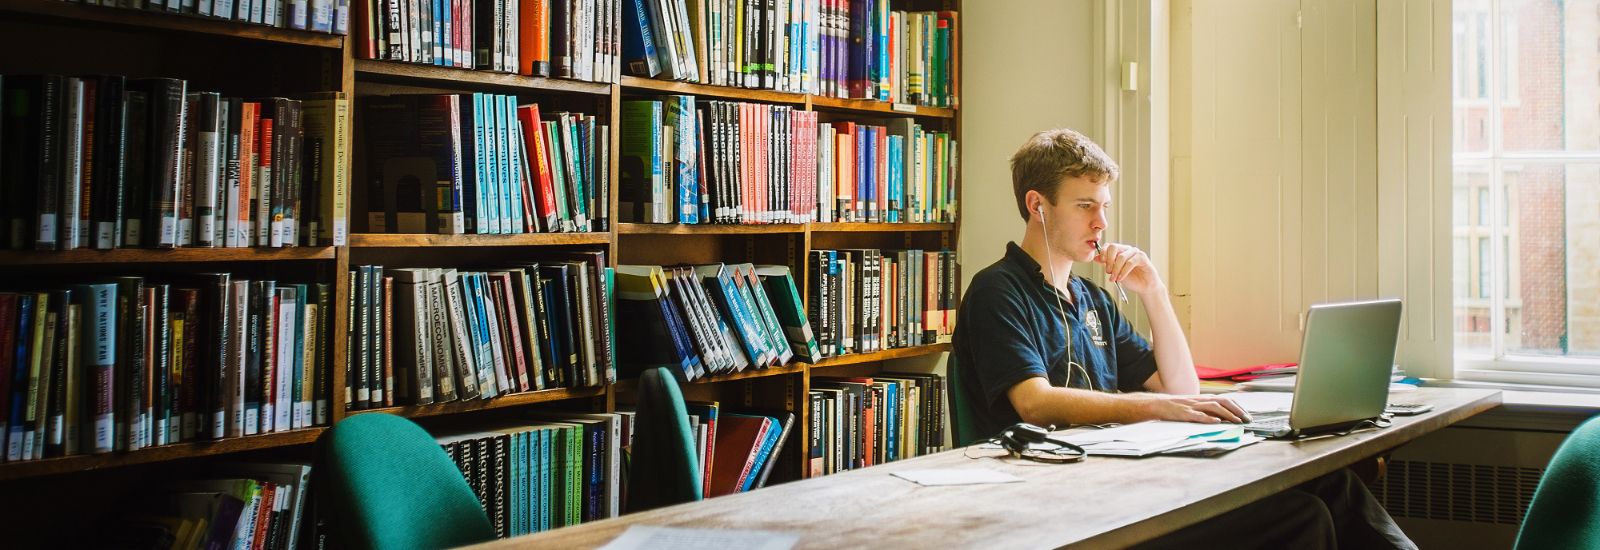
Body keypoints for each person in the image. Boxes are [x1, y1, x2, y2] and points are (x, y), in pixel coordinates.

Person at [952, 128, 1415, 549]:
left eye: (1104, 207)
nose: (1101, 223)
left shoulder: (1091, 298)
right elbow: (1035, 401)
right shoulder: (999, 290)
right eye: (1084, 205)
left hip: (1122, 484)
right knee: (1301, 518)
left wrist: (1154, 292)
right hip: (1063, 504)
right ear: (1038, 205)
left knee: (1336, 487)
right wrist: (1155, 408)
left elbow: (1181, 389)